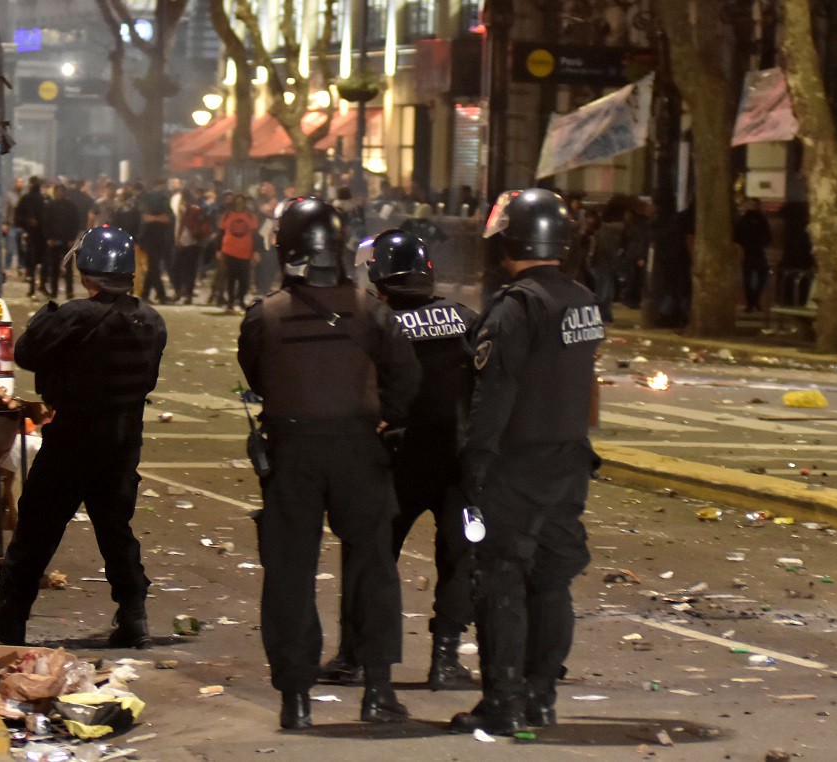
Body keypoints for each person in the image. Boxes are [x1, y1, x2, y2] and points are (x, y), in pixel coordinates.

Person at [237, 197, 421, 730]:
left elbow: (256, 373)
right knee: (373, 568)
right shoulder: (372, 310)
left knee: (289, 574)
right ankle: (377, 690)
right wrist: (385, 417)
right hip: (359, 448)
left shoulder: (265, 314)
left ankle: (296, 699)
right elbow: (406, 377)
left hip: (292, 450)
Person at [449, 188, 603, 735]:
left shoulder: (517, 307)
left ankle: (502, 703)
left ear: (510, 240)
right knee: (552, 580)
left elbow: (495, 394)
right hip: (569, 459)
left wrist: (474, 461)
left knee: (500, 579)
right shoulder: (584, 300)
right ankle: (541, 698)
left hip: (517, 463)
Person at [323, 229, 479, 690]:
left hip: (393, 461)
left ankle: (357, 657)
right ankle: (446, 660)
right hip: (456, 460)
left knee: (370, 558)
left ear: (380, 278)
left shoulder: (369, 323)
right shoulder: (464, 318)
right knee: (459, 560)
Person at [0, 225, 166, 648]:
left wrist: (46, 316)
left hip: (73, 438)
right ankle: (134, 616)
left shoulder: (75, 314)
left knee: (35, 532)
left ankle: (9, 624)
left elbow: (26, 352)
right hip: (124, 440)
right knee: (114, 528)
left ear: (86, 270)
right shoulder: (151, 320)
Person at [218, 195, 259, 313]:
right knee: (230, 278)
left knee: (244, 279)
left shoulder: (250, 216)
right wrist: (218, 249)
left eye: (241, 202)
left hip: (246, 252)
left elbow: (255, 235)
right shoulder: (227, 215)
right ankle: (230, 301)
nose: (239, 204)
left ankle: (241, 299)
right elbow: (221, 233)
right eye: (237, 202)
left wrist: (256, 251)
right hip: (229, 250)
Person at [137, 179, 174, 304]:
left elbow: (165, 218)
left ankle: (146, 294)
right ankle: (160, 295)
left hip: (150, 239)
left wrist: (152, 218)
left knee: (153, 267)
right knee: (154, 267)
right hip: (156, 239)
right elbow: (168, 218)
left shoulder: (146, 201)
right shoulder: (162, 200)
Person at [42, 184, 81, 299]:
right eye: (57, 191)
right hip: (54, 240)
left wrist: (72, 238)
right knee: (54, 267)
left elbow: (76, 222)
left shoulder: (71, 206)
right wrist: (48, 238)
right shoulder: (50, 206)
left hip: (67, 240)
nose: (59, 194)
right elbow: (46, 223)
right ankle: (54, 290)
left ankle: (69, 291)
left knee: (68, 268)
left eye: (61, 191)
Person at [587, 201, 624, 322]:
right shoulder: (609, 231)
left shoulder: (601, 231)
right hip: (604, 264)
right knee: (605, 291)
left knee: (604, 290)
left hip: (600, 263)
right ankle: (604, 314)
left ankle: (603, 314)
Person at [734, 198, 772, 313]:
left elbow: (737, 237)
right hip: (756, 251)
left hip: (749, 251)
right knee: (760, 276)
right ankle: (754, 301)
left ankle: (751, 302)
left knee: (749, 278)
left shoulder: (744, 219)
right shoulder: (760, 219)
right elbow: (768, 237)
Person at [15, 177, 47, 298]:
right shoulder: (26, 199)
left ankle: (41, 285)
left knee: (42, 263)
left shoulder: (43, 199)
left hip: (42, 236)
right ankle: (33, 286)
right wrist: (28, 221)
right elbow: (18, 217)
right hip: (31, 235)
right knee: (32, 262)